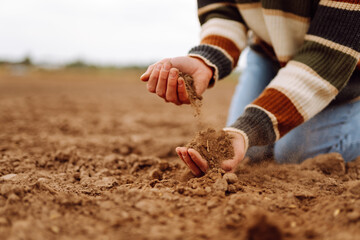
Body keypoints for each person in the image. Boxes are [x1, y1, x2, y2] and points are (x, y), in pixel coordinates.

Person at [140, 0, 360, 177]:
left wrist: (248, 128)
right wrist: (206, 59)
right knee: (251, 151)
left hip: (345, 65)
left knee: (295, 153)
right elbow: (224, 10)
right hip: (270, 54)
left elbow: (327, 57)